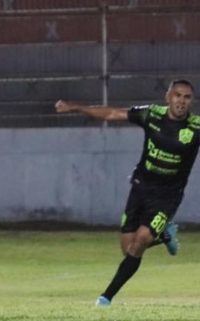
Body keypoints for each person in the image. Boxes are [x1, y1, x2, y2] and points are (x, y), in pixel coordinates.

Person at [55, 79, 197, 306]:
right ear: (168, 97)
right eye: (177, 95)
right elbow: (112, 114)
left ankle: (106, 297)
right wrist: (76, 107)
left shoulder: (196, 127)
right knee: (128, 248)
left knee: (140, 241)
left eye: (187, 97)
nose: (181, 101)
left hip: (167, 196)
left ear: (191, 101)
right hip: (141, 188)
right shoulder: (151, 115)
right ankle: (165, 235)